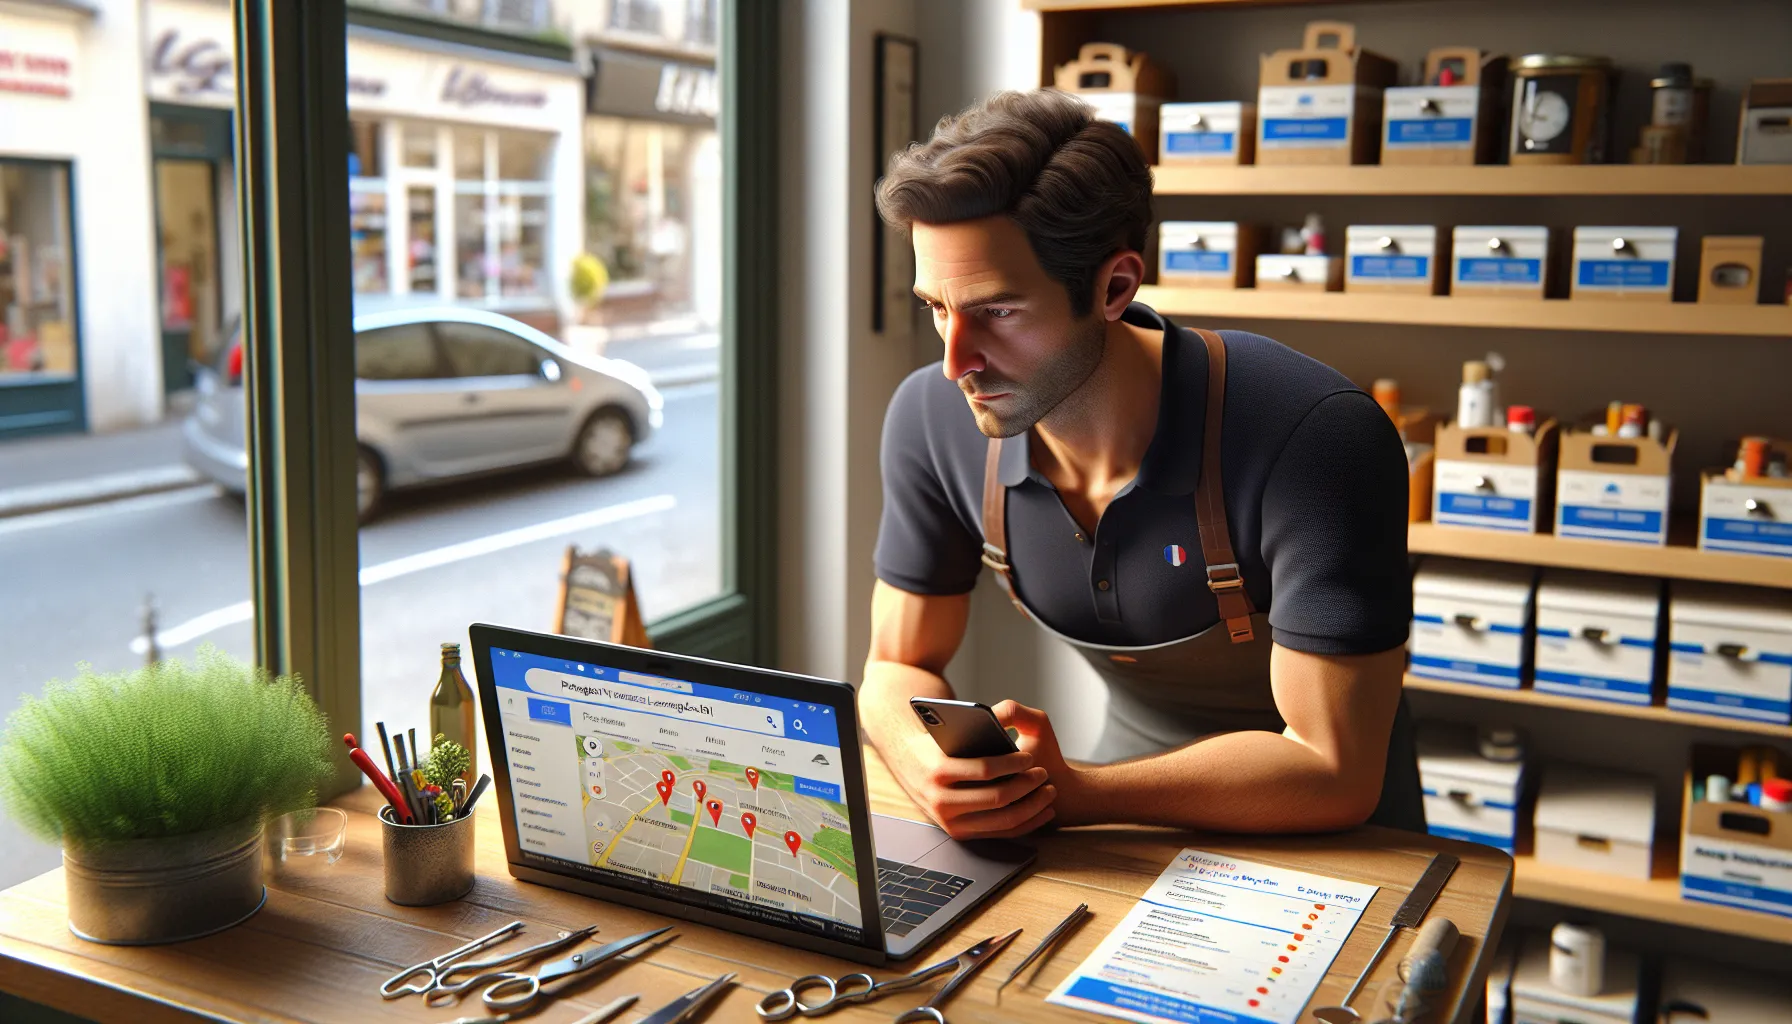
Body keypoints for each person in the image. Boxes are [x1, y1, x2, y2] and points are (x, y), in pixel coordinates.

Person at [861, 89, 1422, 840]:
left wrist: (1078, 794)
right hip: (1118, 803)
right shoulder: (932, 423)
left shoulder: (1314, 437)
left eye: (997, 312)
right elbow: (894, 667)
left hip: (1329, 836)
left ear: (1115, 286)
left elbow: (1333, 771)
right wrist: (925, 765)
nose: (954, 361)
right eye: (937, 307)